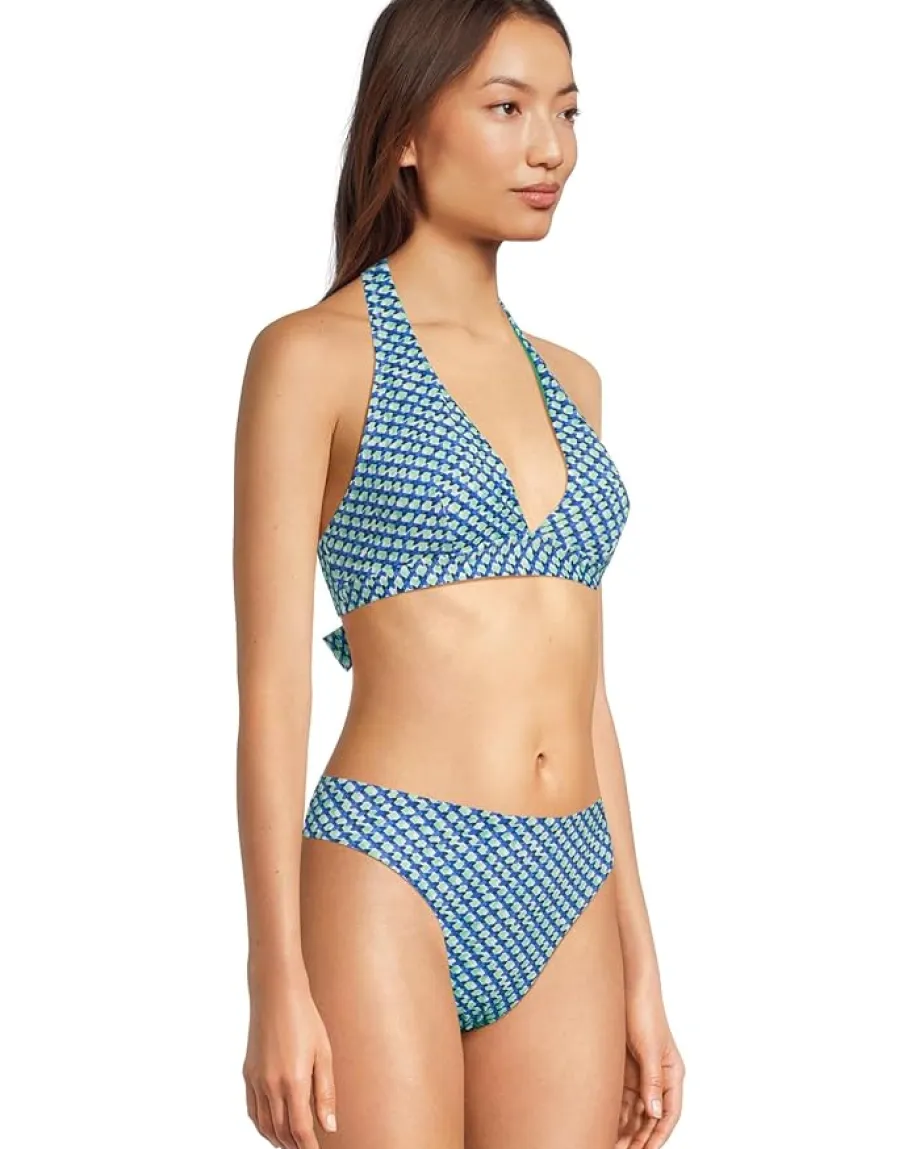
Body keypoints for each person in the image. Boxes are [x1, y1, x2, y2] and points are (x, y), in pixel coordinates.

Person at [233, 2, 685, 1146]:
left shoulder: (572, 383)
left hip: (571, 877)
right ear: (403, 131)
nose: (549, 149)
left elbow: (586, 694)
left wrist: (642, 966)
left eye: (566, 113)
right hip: (391, 862)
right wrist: (273, 977)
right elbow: (272, 693)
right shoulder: (312, 358)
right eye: (505, 108)